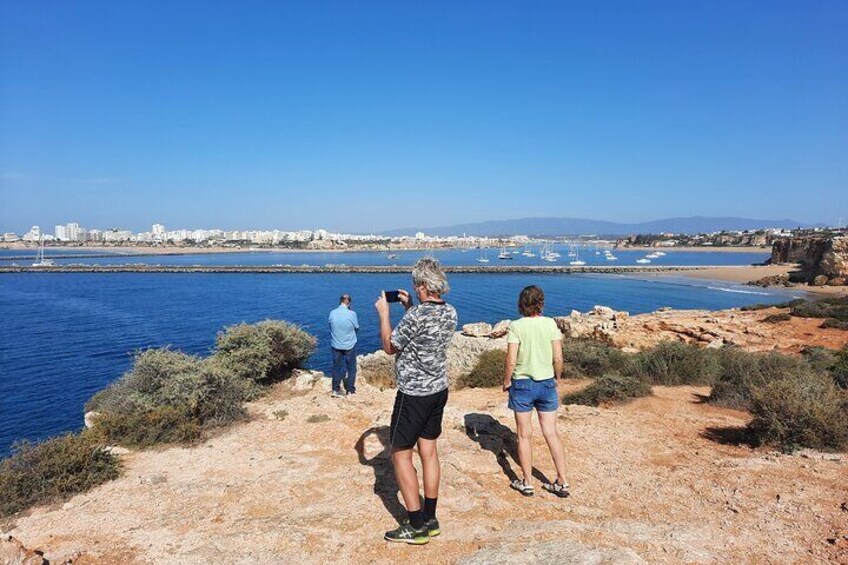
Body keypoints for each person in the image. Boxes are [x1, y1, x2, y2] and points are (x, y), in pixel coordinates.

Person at [374, 258, 457, 545]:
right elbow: (426, 333)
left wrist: (385, 314)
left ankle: (416, 525)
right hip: (438, 390)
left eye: (415, 285)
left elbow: (389, 346)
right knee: (429, 452)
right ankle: (430, 518)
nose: (414, 288)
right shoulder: (450, 312)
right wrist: (409, 307)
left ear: (422, 285)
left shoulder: (417, 317)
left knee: (400, 454)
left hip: (413, 395)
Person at [503, 285, 569, 498]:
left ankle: (528, 482)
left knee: (524, 435)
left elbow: (511, 359)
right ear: (541, 302)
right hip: (547, 382)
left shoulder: (516, 326)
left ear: (521, 304)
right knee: (551, 432)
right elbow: (558, 358)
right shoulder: (551, 324)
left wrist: (506, 381)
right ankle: (561, 480)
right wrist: (557, 378)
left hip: (522, 384)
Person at [328, 294, 359, 398]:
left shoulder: (332, 313)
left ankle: (335, 389)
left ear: (339, 301)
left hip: (336, 344)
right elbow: (357, 327)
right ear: (349, 303)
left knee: (336, 367)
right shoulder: (352, 314)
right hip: (349, 345)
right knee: (351, 368)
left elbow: (331, 326)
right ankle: (350, 390)